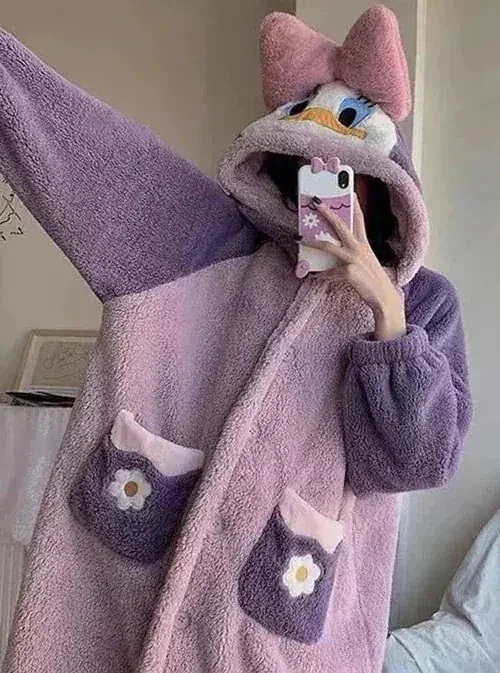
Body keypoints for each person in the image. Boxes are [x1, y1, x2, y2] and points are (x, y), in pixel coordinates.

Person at [1, 6, 472, 673]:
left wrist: (386, 316)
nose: (321, 193)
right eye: (303, 170)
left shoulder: (423, 303)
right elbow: (82, 147)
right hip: (131, 586)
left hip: (279, 621)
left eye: (347, 175)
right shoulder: (204, 244)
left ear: (391, 184)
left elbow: (413, 464)